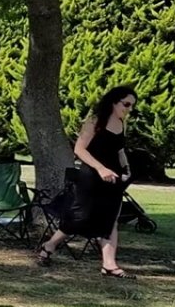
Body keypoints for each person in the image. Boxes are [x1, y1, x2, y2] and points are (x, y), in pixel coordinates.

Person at [36, 86, 138, 279]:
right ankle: (49, 245)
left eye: (132, 106)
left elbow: (119, 150)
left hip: (113, 178)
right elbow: (80, 149)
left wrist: (126, 169)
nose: (129, 109)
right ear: (114, 101)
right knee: (80, 217)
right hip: (90, 176)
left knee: (110, 219)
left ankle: (109, 265)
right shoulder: (95, 120)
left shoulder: (120, 122)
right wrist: (100, 169)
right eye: (126, 104)